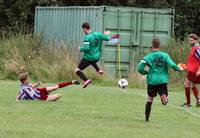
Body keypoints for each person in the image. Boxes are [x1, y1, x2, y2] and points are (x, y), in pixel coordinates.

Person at [138, 37, 182, 122]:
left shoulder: (148, 57)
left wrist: (144, 72)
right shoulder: (165, 55)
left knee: (150, 98)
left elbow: (140, 68)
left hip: (152, 80)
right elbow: (172, 64)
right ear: (159, 45)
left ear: (152, 45)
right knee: (163, 94)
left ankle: (147, 119)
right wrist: (178, 68)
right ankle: (164, 97)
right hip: (162, 80)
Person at [76, 22, 110, 88]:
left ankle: (86, 80)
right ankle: (98, 70)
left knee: (77, 70)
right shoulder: (98, 34)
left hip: (88, 58)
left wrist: (80, 49)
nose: (84, 31)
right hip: (97, 57)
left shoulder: (87, 38)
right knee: (92, 61)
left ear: (85, 29)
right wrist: (107, 34)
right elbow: (107, 38)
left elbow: (86, 49)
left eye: (83, 30)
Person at [181, 33, 200, 107]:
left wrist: (199, 70)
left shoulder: (197, 49)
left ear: (196, 40)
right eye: (189, 40)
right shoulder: (195, 48)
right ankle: (198, 100)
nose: (190, 42)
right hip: (193, 70)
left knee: (186, 84)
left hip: (194, 71)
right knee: (193, 86)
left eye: (191, 40)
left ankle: (188, 103)